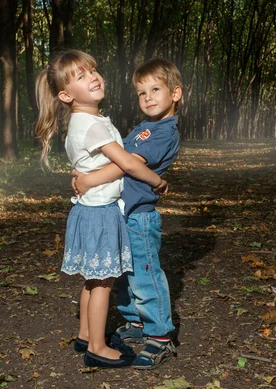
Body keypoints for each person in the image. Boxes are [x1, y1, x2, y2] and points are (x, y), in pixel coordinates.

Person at [34, 50, 168, 369]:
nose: (93, 77)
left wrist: (88, 178)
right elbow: (127, 165)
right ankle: (97, 347)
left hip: (88, 210)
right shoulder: (92, 126)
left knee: (92, 280)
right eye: (81, 76)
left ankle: (84, 335)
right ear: (66, 95)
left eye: (93, 71)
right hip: (101, 214)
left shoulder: (85, 121)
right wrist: (158, 182)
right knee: (104, 282)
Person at [72, 57, 182, 369]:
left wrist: (90, 179)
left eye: (155, 89)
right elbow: (110, 156)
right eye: (141, 93)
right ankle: (136, 322)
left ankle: (159, 335)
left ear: (175, 93)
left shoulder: (164, 132)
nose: (147, 97)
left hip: (139, 216)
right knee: (124, 273)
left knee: (145, 275)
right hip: (121, 212)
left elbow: (126, 163)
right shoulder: (144, 127)